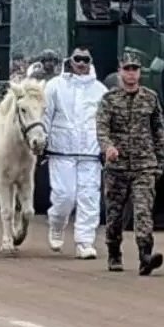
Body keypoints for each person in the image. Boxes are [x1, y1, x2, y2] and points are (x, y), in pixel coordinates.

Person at [97, 52, 164, 275]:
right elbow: (102, 129)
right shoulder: (109, 100)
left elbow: (158, 132)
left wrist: (159, 163)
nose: (131, 74)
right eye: (127, 69)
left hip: (144, 165)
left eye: (134, 69)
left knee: (143, 212)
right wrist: (108, 147)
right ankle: (114, 252)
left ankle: (145, 255)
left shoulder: (150, 98)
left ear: (140, 72)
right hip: (117, 168)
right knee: (115, 215)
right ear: (120, 72)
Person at [43, 46, 108, 259]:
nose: (81, 63)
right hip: (61, 150)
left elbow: (106, 122)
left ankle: (84, 242)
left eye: (85, 59)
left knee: (89, 198)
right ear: (70, 61)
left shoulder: (100, 90)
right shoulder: (54, 86)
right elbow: (45, 115)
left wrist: (106, 146)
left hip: (90, 153)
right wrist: (42, 141)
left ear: (90, 62)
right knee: (64, 196)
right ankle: (56, 224)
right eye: (77, 59)